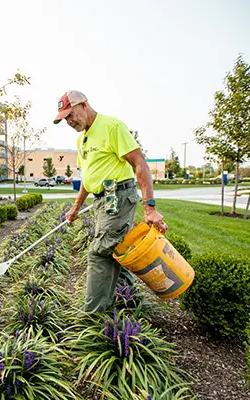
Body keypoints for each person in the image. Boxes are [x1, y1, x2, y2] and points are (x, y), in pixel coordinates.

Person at [54, 90, 167, 312]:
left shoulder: (112, 127)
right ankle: (129, 300)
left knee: (99, 252)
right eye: (65, 118)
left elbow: (140, 164)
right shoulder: (82, 139)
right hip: (101, 201)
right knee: (115, 248)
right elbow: (88, 177)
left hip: (117, 196)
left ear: (84, 106)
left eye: (71, 114)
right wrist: (76, 208)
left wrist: (150, 208)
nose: (69, 121)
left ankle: (92, 315)